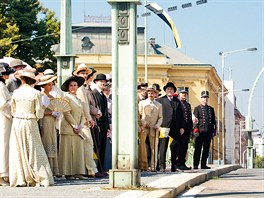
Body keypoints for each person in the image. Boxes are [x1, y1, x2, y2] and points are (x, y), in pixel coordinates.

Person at [9, 70, 54, 187]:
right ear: (32, 81)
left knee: (18, 149)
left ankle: (21, 178)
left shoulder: (16, 92)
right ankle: (42, 176)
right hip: (30, 121)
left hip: (17, 121)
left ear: (22, 80)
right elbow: (39, 113)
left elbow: (13, 110)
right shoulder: (35, 93)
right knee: (35, 149)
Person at [74, 64, 103, 178]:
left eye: (86, 73)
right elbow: (84, 105)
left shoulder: (82, 87)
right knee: (88, 143)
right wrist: (90, 119)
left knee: (87, 144)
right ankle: (91, 169)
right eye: (82, 73)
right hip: (82, 120)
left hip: (83, 119)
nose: (85, 75)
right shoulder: (81, 88)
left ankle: (90, 169)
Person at [59, 76, 87, 180]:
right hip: (67, 127)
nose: (73, 87)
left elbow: (82, 114)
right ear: (68, 87)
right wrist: (74, 125)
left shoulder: (79, 100)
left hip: (78, 129)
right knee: (67, 151)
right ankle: (67, 173)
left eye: (75, 85)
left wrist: (80, 125)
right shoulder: (66, 98)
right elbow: (67, 113)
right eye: (71, 85)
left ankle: (78, 172)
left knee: (78, 150)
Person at [156, 82, 184, 172]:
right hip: (164, 126)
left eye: (171, 89)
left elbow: (181, 115)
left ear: (173, 91)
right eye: (168, 89)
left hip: (175, 127)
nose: (169, 90)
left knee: (175, 146)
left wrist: (181, 127)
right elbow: (158, 114)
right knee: (162, 146)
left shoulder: (177, 101)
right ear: (165, 90)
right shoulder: (160, 100)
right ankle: (161, 166)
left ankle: (173, 166)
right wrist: (159, 125)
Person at [37, 75, 60, 177]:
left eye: (51, 85)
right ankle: (47, 169)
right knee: (46, 142)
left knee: (53, 142)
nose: (50, 87)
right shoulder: (41, 96)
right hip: (45, 121)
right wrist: (41, 125)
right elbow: (40, 112)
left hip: (52, 122)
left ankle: (54, 169)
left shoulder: (52, 97)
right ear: (44, 86)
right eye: (48, 85)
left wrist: (56, 114)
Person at [138, 86, 163, 172]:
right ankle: (142, 165)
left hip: (153, 128)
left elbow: (160, 117)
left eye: (152, 93)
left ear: (155, 94)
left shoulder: (159, 105)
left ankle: (153, 166)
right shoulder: (142, 103)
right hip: (144, 127)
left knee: (154, 147)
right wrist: (143, 123)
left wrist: (157, 125)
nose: (150, 95)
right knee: (142, 146)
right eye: (149, 93)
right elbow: (139, 115)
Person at [193, 91, 216, 169]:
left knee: (206, 148)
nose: (205, 99)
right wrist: (195, 129)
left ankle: (203, 164)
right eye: (204, 97)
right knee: (198, 148)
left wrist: (214, 130)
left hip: (208, 131)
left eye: (206, 97)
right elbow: (195, 120)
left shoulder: (211, 109)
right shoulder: (197, 108)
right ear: (201, 98)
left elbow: (213, 121)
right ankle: (195, 164)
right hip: (200, 131)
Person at [92, 74, 110, 174]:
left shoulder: (103, 95)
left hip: (103, 124)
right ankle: (96, 168)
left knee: (103, 147)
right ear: (96, 82)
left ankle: (101, 168)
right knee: (97, 147)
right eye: (101, 81)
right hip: (97, 123)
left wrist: (107, 126)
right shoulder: (94, 93)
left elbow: (106, 112)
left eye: (104, 81)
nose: (103, 83)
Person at [0, 63, 14, 186]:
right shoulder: (0, 86)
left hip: (4, 117)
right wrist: (13, 100)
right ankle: (2, 173)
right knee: (3, 145)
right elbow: (3, 104)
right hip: (3, 118)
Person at [178, 87, 193, 170]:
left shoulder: (188, 104)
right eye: (182, 93)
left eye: (185, 94)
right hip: (181, 128)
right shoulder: (178, 103)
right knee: (180, 145)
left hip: (187, 128)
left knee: (185, 146)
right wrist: (181, 127)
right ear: (179, 94)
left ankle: (182, 162)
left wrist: (191, 128)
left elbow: (189, 117)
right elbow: (179, 117)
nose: (184, 95)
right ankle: (179, 162)